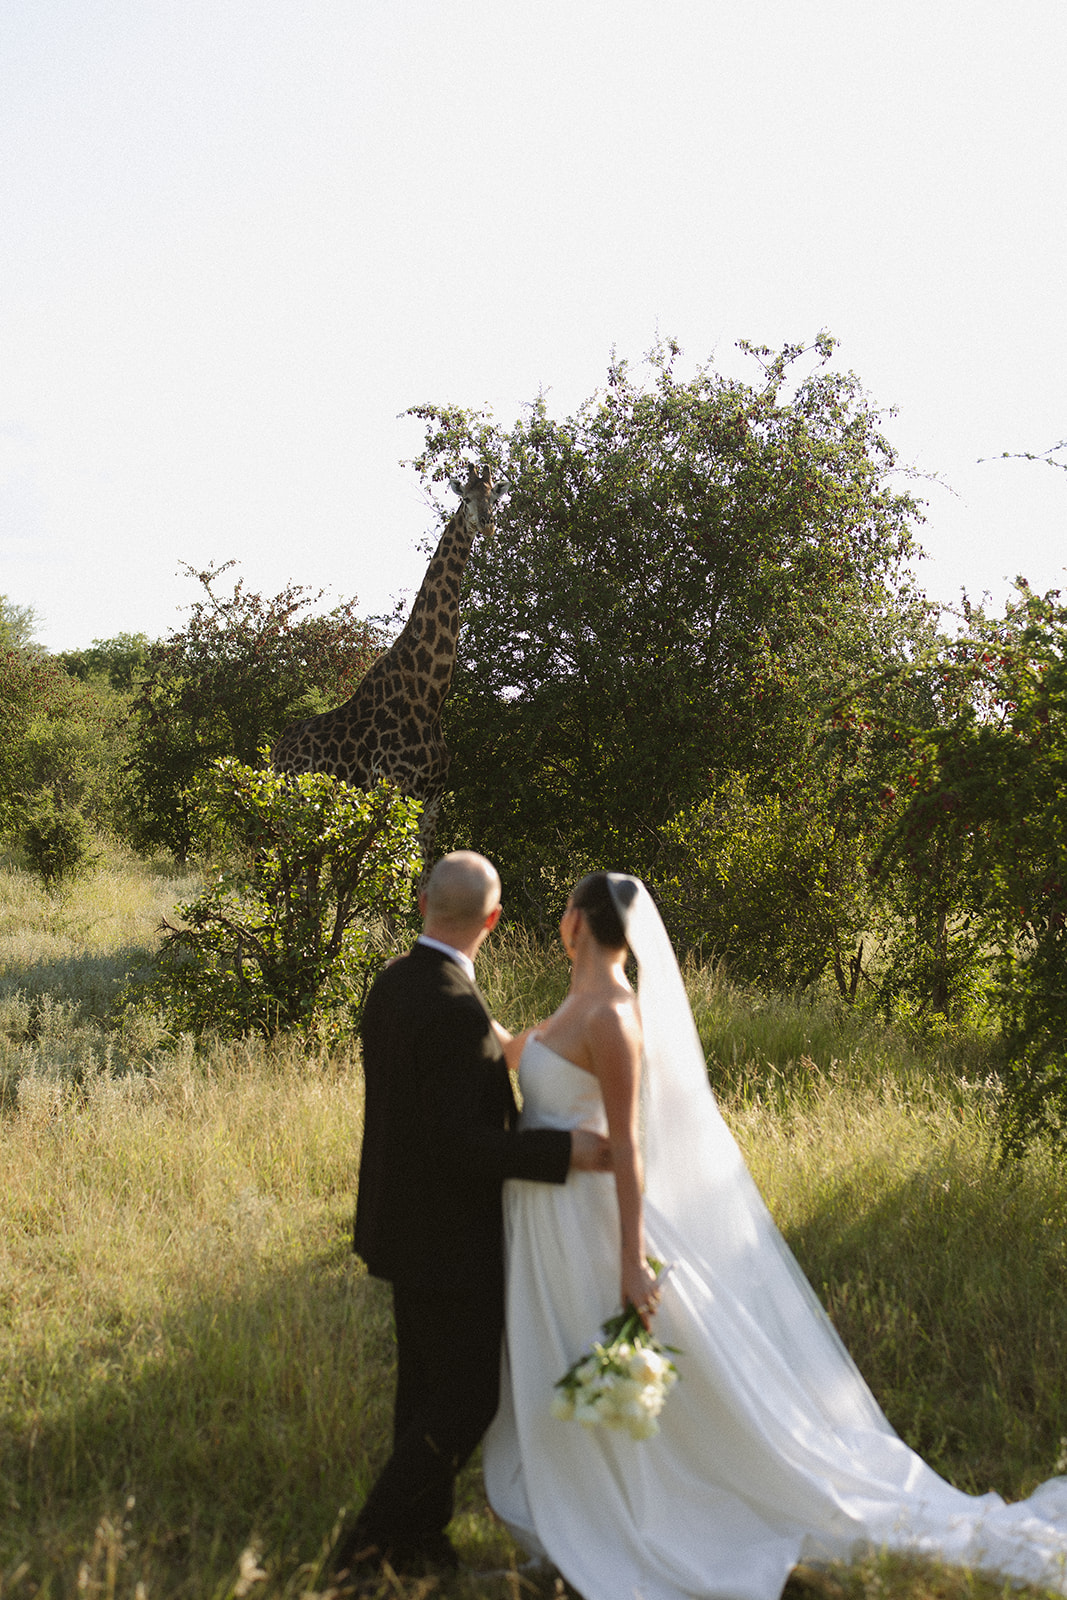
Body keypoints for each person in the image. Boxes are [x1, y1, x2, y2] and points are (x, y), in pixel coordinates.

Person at [483, 871, 1067, 1600]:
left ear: (576, 922)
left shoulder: (613, 1017)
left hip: (589, 1220)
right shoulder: (574, 1004)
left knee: (605, 1357)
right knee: (561, 1350)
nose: (560, 919)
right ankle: (574, 1492)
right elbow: (522, 1056)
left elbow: (628, 1146)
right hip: (546, 1220)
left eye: (565, 908)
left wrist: (632, 1260)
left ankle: (631, 1506)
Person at [333, 851, 612, 1579]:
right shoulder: (456, 1006)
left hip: (399, 1223)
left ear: (423, 901)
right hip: (448, 1237)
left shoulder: (393, 983)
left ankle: (420, 1547)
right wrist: (566, 1152)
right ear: (492, 920)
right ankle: (360, 1554)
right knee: (463, 1403)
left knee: (420, 1395)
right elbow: (461, 1143)